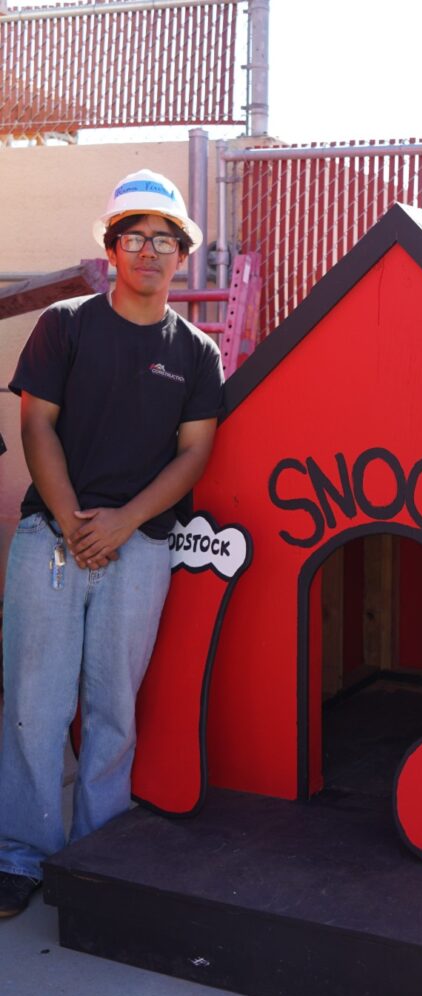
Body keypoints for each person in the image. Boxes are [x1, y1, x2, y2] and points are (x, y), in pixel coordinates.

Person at [0, 169, 224, 918]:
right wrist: (74, 523)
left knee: (112, 709)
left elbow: (194, 453)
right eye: (136, 237)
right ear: (112, 248)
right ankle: (20, 856)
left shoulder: (196, 352)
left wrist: (123, 523)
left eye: (165, 239)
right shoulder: (66, 323)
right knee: (35, 704)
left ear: (182, 254)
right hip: (51, 541)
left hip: (140, 548)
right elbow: (35, 426)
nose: (151, 251)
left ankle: (99, 858)